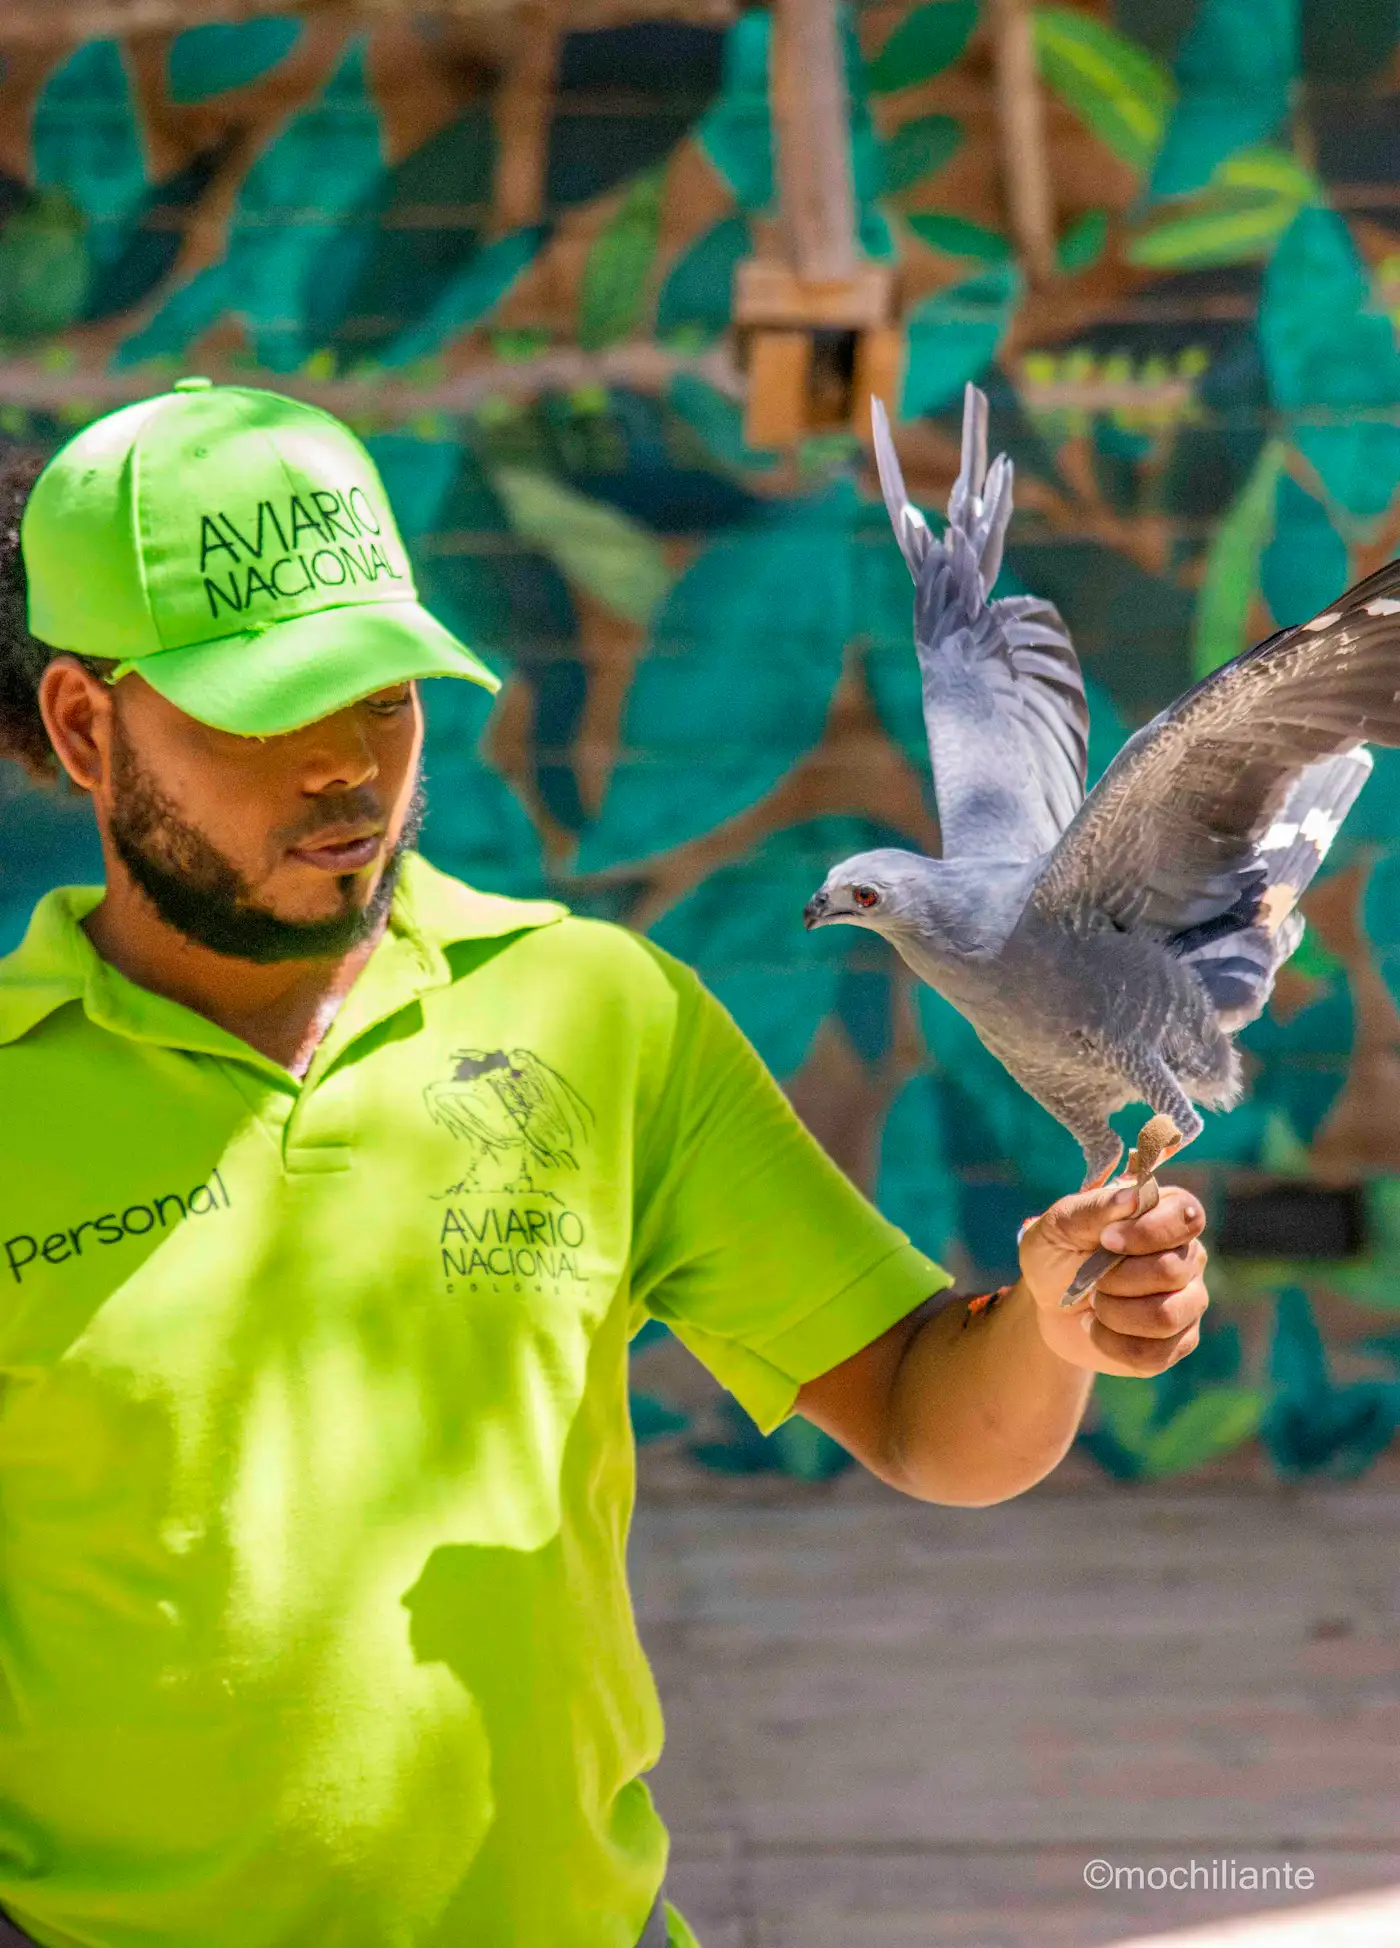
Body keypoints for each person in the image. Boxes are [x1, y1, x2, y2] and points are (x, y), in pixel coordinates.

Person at [0, 379, 1208, 1948]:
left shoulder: (599, 1016)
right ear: (87, 726)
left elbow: (930, 1417)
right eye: (261, 709)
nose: (345, 769)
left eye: (380, 692)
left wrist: (1051, 1328)